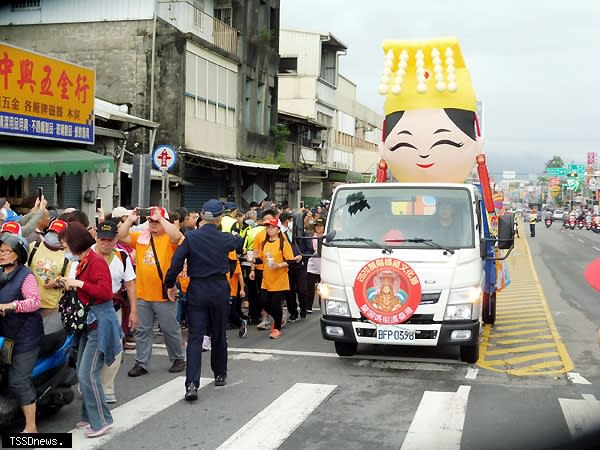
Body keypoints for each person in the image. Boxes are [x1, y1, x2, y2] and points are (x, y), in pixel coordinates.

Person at [164, 199, 240, 401]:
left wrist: (169, 284)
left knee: (195, 337)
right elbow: (238, 242)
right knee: (218, 334)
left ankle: (191, 384)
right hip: (219, 288)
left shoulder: (191, 237)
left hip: (197, 288)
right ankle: (220, 373)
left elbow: (176, 263)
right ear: (219, 218)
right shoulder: (225, 238)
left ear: (201, 216)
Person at [58, 222, 121, 438]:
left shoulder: (95, 261)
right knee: (83, 373)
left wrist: (77, 284)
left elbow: (105, 292)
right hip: (90, 322)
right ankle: (88, 417)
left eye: (65, 244)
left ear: (74, 243)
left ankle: (101, 421)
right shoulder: (86, 260)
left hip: (100, 323)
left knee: (87, 374)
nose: (64, 248)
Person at [118, 207, 186, 377]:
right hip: (142, 293)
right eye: (151, 221)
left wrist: (162, 219)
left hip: (163, 293)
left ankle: (178, 358)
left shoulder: (169, 239)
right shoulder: (141, 237)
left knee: (170, 329)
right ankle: (142, 363)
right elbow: (120, 236)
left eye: (156, 221)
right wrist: (130, 219)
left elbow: (178, 236)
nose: (153, 224)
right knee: (142, 330)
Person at [0, 233, 44, 433]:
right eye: (0, 251)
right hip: (5, 335)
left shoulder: (26, 276)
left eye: (6, 251)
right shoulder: (1, 272)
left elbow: (35, 301)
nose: (2, 254)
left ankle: (31, 427)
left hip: (24, 337)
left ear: (17, 254)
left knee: (18, 380)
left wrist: (11, 305)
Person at [93, 221, 137, 403]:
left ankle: (107, 387)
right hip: (90, 310)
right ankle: (89, 384)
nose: (105, 243)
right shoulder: (85, 255)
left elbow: (130, 284)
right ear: (96, 238)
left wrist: (134, 311)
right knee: (91, 348)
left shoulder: (122, 256)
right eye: (102, 239)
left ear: (116, 239)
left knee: (115, 347)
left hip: (114, 308)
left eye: (109, 240)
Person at [250, 217, 294, 339]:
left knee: (275, 304)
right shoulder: (264, 243)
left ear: (278, 229)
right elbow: (262, 259)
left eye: (272, 227)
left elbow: (290, 261)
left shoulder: (283, 243)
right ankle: (279, 318)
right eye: (268, 227)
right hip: (267, 279)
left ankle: (276, 329)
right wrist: (253, 260)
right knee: (263, 302)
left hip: (280, 278)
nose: (269, 230)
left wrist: (278, 265)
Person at [26, 219, 71, 319]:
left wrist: (56, 283)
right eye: (52, 232)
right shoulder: (34, 247)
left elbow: (69, 282)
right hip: (28, 303)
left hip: (51, 307)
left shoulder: (68, 257)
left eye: (58, 234)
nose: (54, 235)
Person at [305, 217, 325, 313]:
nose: (318, 228)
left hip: (323, 268)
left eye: (320, 226)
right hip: (312, 266)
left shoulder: (326, 238)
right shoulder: (310, 237)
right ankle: (308, 306)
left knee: (323, 290)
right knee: (310, 288)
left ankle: (323, 307)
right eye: (317, 226)